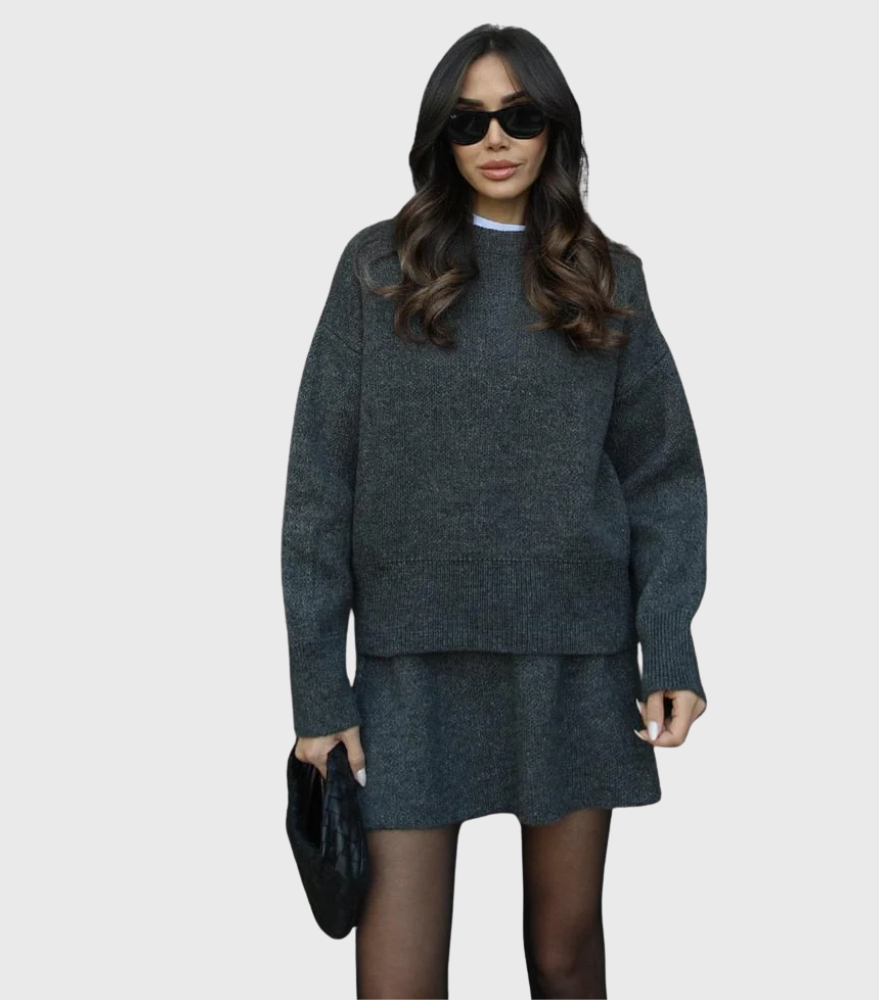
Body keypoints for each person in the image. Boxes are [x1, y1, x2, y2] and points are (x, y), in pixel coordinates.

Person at [280, 22, 709, 999]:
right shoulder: (377, 269)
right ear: (441, 136)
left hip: (574, 660)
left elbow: (663, 476)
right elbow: (318, 487)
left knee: (564, 957)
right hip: (409, 672)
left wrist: (670, 646)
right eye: (468, 121)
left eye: (518, 115)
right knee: (397, 981)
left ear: (554, 126)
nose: (496, 139)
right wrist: (317, 690)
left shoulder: (607, 278)